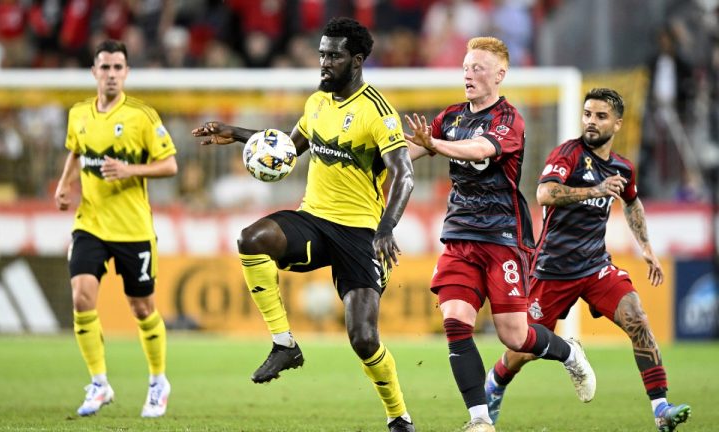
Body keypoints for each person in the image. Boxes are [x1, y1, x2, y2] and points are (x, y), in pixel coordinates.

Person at [192, 17, 416, 432]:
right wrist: (235, 133)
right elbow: (289, 148)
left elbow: (405, 174)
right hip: (313, 218)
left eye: (334, 56)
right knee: (251, 239)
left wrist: (387, 228)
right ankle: (284, 344)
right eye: (322, 54)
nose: (324, 63)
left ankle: (398, 416)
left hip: (360, 233)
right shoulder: (317, 103)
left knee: (364, 339)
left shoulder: (377, 111)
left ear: (357, 60)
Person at [402, 36, 595, 432]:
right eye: (465, 68)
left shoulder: (509, 119)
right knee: (456, 321)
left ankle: (569, 353)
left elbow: (480, 150)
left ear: (499, 74)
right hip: (460, 234)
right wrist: (373, 154)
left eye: (478, 68)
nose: (468, 74)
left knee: (514, 336)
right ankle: (479, 419)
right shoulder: (451, 116)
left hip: (503, 235)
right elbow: (411, 151)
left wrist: (434, 143)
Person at [483, 88, 692, 432]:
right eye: (587, 114)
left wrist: (646, 246)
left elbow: (632, 201)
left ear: (618, 124)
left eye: (601, 116)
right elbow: (544, 193)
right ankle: (495, 381)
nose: (591, 122)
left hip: (595, 267)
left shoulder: (622, 167)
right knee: (524, 349)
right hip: (552, 269)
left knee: (637, 319)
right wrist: (595, 190)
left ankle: (661, 409)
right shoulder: (568, 154)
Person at [54, 39, 178, 418]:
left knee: (142, 308)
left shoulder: (142, 116)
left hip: (132, 229)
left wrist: (129, 170)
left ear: (126, 72)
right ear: (94, 72)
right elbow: (76, 150)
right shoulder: (78, 113)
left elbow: (170, 165)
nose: (111, 74)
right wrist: (64, 183)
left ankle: (158, 381)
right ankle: (99, 383)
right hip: (90, 223)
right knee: (81, 298)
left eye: (118, 67)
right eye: (105, 67)